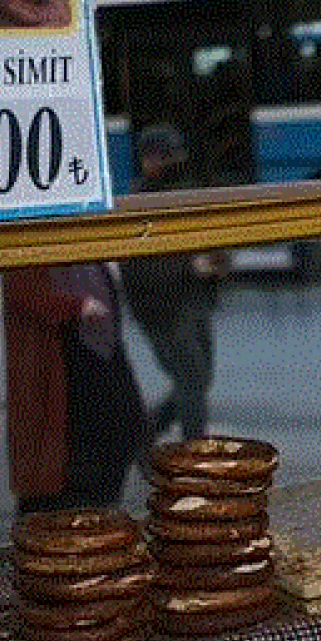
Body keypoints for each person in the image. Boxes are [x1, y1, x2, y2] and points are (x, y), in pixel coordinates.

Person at [2, 262, 147, 513]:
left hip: (95, 346)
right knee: (75, 459)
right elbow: (26, 292)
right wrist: (76, 306)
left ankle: (98, 513)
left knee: (124, 430)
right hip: (67, 352)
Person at [118, 123, 224, 442]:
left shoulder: (183, 191)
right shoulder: (139, 202)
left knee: (200, 380)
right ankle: (194, 452)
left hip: (193, 302)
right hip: (163, 311)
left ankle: (144, 435)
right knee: (192, 383)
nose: (169, 163)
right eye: (162, 157)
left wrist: (216, 263)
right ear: (147, 161)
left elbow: (210, 237)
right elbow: (139, 270)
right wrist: (193, 267)